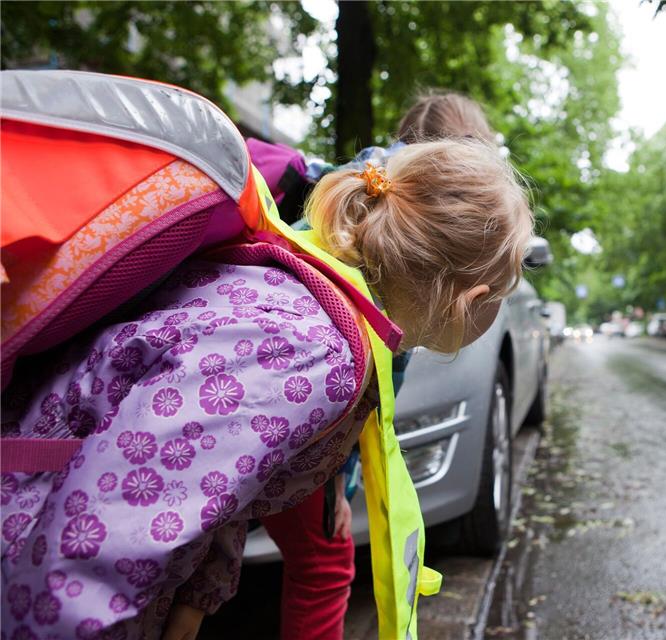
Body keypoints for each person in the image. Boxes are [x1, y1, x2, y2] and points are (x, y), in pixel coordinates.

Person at [0, 138, 533, 639]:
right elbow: (95, 547)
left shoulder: (312, 301)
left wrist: (196, 594)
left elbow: (218, 473)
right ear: (473, 299)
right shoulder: (310, 354)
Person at [259, 91, 500, 640]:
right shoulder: (422, 232)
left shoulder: (366, 187)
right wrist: (336, 487)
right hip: (295, 423)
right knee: (324, 567)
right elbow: (370, 390)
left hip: (253, 398)